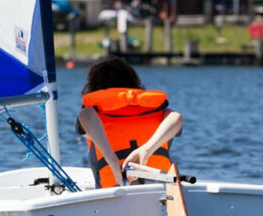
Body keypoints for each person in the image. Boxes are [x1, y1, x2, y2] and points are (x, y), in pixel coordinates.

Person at [76, 58, 183, 188]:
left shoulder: (93, 115)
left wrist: (112, 161)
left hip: (114, 193)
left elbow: (85, 115)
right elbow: (176, 118)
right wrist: (147, 149)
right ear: (134, 82)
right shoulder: (159, 112)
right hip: (159, 192)